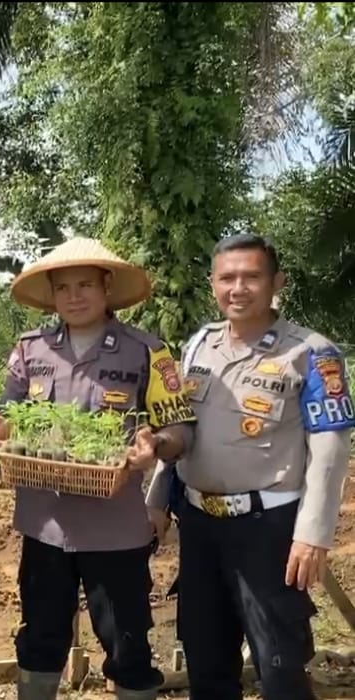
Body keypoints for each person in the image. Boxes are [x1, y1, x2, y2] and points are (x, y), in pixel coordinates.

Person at [0, 237, 195, 700]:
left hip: (116, 530)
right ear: (53, 295)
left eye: (85, 285)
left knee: (128, 646)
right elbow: (6, 415)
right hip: (46, 527)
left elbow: (181, 429)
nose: (74, 297)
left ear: (107, 288)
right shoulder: (29, 350)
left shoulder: (147, 351)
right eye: (63, 288)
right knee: (39, 641)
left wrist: (156, 444)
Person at [145, 234, 352, 700]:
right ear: (213, 283)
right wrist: (157, 497)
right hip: (199, 524)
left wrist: (313, 533)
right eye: (227, 278)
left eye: (251, 276)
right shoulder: (199, 345)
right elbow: (181, 425)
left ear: (277, 281)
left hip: (270, 530)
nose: (238, 288)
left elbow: (331, 449)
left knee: (278, 665)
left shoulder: (313, 353)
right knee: (206, 657)